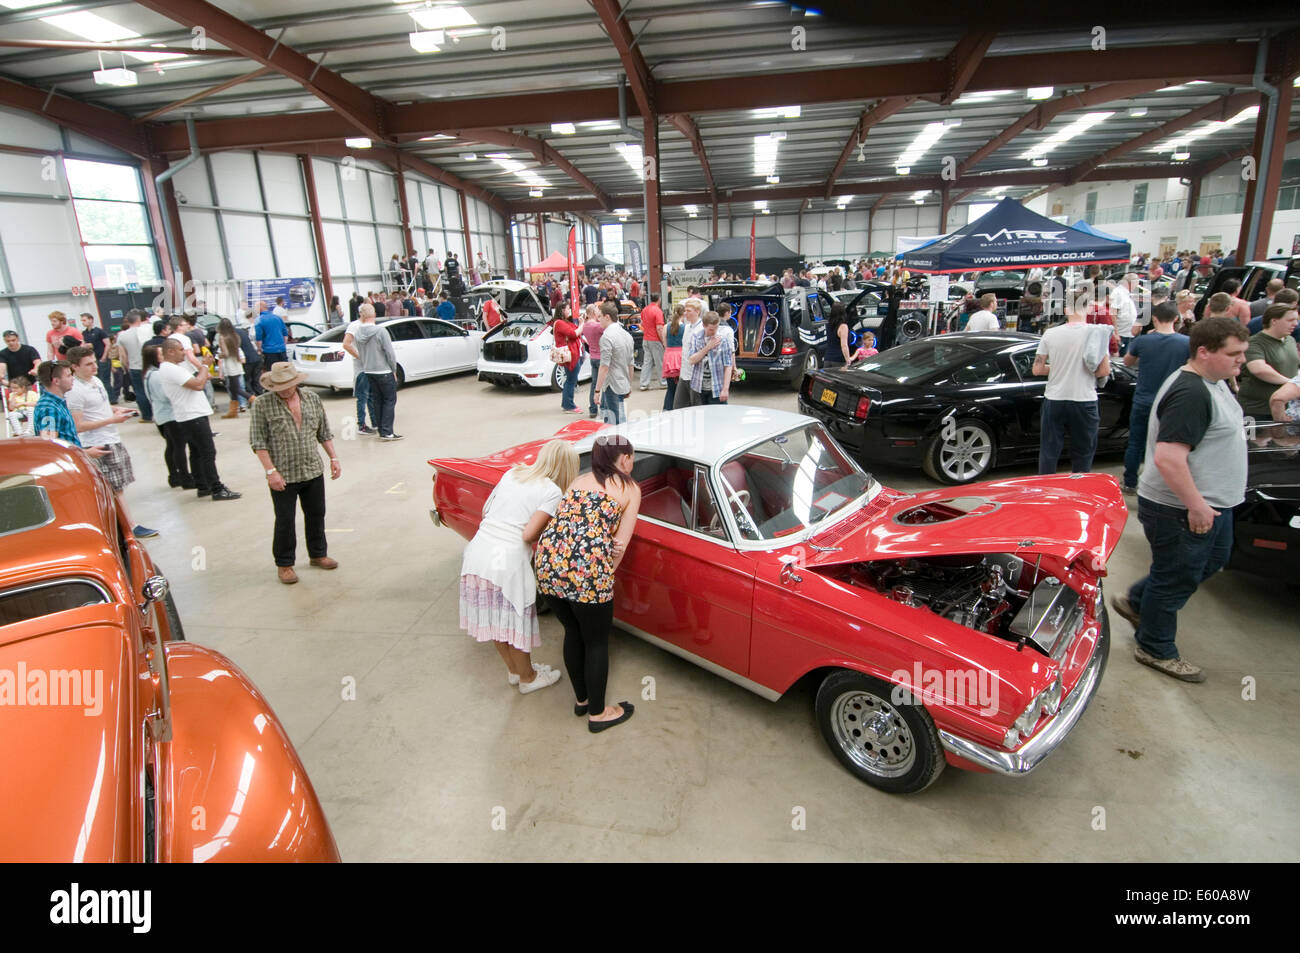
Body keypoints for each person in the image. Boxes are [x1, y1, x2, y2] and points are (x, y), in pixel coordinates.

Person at [1112, 318, 1250, 683]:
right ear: (1204, 352)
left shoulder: (1213, 382)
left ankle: (1140, 601)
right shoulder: (1191, 393)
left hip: (1211, 503)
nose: (1241, 361)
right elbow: (1169, 458)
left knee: (1209, 561)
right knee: (1176, 576)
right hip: (1183, 508)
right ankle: (1155, 646)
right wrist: (1196, 505)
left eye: (1243, 354)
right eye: (1233, 354)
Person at [534, 434, 641, 731]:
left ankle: (582, 701)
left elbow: (567, 523)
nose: (632, 461)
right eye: (631, 456)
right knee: (596, 642)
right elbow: (621, 544)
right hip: (587, 572)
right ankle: (599, 714)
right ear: (623, 459)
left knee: (572, 630)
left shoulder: (578, 481)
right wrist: (605, 577)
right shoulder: (630, 488)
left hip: (547, 564)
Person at [459, 439, 578, 693]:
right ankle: (529, 678)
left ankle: (515, 671)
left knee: (495, 621)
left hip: (478, 554)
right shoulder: (553, 492)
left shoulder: (513, 472)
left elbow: (486, 510)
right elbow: (528, 534)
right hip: (508, 564)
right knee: (514, 623)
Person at [249, 363, 341, 585]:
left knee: (317, 514)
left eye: (288, 385)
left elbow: (323, 432)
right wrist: (271, 472)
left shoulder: (312, 399)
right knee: (285, 520)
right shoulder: (262, 404)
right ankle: (284, 564)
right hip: (283, 474)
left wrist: (333, 458)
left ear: (296, 382)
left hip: (312, 469)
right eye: (279, 386)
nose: (284, 390)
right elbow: (258, 442)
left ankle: (318, 554)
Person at [65, 345, 157, 538]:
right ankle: (129, 527)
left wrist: (116, 410)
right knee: (115, 489)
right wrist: (112, 419)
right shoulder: (75, 390)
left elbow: (100, 406)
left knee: (119, 486)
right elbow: (78, 425)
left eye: (94, 362)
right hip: (98, 443)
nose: (94, 366)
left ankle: (125, 527)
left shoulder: (95, 381)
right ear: (75, 367)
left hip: (111, 438)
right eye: (88, 364)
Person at [1033, 286, 1111, 474]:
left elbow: (1037, 369)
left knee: (1049, 451)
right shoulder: (1097, 333)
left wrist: (1058, 367)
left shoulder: (1050, 333)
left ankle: (1045, 491)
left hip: (1055, 399)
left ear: (1066, 309)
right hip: (1084, 400)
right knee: (1083, 452)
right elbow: (1103, 371)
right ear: (1089, 308)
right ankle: (1079, 490)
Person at [157, 338, 241, 501]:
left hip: (189, 414)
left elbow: (197, 381)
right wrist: (204, 365)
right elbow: (197, 384)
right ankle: (216, 488)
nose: (185, 353)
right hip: (192, 415)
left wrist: (202, 373)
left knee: (196, 452)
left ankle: (203, 485)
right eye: (181, 350)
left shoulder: (172, 368)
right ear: (170, 352)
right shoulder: (171, 369)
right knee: (207, 451)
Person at [1121, 302, 1189, 493]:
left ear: (1154, 319)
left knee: (1135, 442)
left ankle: (1130, 481)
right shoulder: (1186, 343)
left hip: (1143, 400)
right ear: (1176, 318)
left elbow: (1127, 362)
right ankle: (1159, 484)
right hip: (1171, 403)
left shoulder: (1142, 342)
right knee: (1166, 445)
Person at [1236, 303, 1300, 420]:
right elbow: (1259, 369)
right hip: (1256, 411)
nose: (1295, 324)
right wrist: (1293, 383)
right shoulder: (1255, 343)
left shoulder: (1290, 340)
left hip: (1284, 409)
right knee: (1252, 438)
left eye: (1296, 320)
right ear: (1274, 321)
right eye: (1290, 320)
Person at [142, 344, 192, 490]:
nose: (164, 355)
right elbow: (164, 395)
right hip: (169, 415)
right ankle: (184, 477)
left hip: (161, 415)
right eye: (160, 354)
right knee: (178, 446)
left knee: (171, 446)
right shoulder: (156, 375)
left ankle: (175, 476)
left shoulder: (149, 373)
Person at [353, 303, 402, 440]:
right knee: (389, 400)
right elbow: (390, 354)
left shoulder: (357, 333)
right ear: (373, 314)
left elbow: (360, 353)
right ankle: (387, 432)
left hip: (368, 371)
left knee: (377, 401)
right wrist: (393, 369)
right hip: (384, 371)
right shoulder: (381, 332)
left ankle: (381, 429)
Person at [594, 302, 634, 425]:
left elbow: (604, 366)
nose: (598, 319)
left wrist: (597, 391)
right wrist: (629, 384)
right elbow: (630, 363)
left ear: (607, 317)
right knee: (619, 418)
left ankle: (617, 443)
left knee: (613, 423)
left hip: (612, 384)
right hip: (622, 382)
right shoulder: (627, 335)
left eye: (600, 316)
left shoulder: (607, 337)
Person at [341, 312, 377, 436]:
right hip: (361, 370)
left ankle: (375, 422)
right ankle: (361, 425)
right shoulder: (354, 326)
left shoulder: (369, 325)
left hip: (370, 368)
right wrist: (361, 357)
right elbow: (346, 344)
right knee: (363, 397)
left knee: (371, 396)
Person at [687, 311, 734, 405]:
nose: (714, 331)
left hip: (717, 388)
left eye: (716, 327)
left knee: (718, 418)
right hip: (698, 388)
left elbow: (728, 366)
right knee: (700, 418)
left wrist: (725, 389)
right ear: (704, 325)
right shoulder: (696, 337)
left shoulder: (723, 340)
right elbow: (691, 360)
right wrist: (708, 347)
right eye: (711, 329)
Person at [672, 297, 705, 411]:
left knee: (696, 409)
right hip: (684, 374)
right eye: (685, 311)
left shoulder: (702, 329)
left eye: (688, 311)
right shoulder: (686, 327)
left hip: (695, 376)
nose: (685, 313)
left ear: (697, 311)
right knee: (678, 407)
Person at [216, 317, 252, 418]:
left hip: (229, 364)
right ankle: (233, 411)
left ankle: (254, 399)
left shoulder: (222, 337)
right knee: (234, 388)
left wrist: (219, 355)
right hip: (237, 362)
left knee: (236, 388)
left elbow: (226, 353)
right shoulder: (235, 336)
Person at [551, 303, 582, 414]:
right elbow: (574, 333)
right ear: (563, 310)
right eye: (568, 308)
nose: (569, 310)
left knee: (570, 379)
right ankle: (569, 405)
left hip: (572, 354)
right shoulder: (559, 323)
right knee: (571, 380)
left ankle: (567, 403)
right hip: (570, 354)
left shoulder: (562, 322)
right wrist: (582, 324)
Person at [78, 312, 115, 401]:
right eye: (81, 321)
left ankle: (111, 399)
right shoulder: (84, 333)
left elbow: (108, 344)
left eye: (84, 320)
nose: (83, 322)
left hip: (102, 358)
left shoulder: (99, 331)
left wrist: (104, 357)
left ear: (91, 320)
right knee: (96, 380)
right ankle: (101, 398)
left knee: (105, 380)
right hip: (92, 360)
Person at [661, 304, 685, 412]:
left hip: (669, 356)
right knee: (681, 388)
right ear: (683, 313)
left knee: (670, 388)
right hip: (681, 356)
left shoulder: (666, 326)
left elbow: (664, 343)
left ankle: (667, 409)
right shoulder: (685, 327)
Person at [580, 304, 604, 417]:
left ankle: (593, 409)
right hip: (602, 358)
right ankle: (604, 407)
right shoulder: (598, 326)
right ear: (594, 313)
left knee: (594, 384)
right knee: (604, 384)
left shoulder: (585, 326)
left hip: (593, 357)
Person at [638, 292, 665, 390]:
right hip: (655, 339)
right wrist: (663, 341)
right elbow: (659, 328)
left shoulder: (645, 309)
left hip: (646, 338)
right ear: (659, 299)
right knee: (659, 362)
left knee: (647, 362)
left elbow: (642, 323)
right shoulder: (658, 311)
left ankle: (643, 383)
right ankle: (663, 382)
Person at [255, 300, 289, 368]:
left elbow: (259, 339)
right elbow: (285, 335)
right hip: (282, 351)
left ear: (260, 308)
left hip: (269, 352)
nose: (255, 309)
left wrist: (259, 349)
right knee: (285, 372)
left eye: (255, 307)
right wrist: (282, 345)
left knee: (272, 374)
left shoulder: (259, 320)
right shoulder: (278, 318)